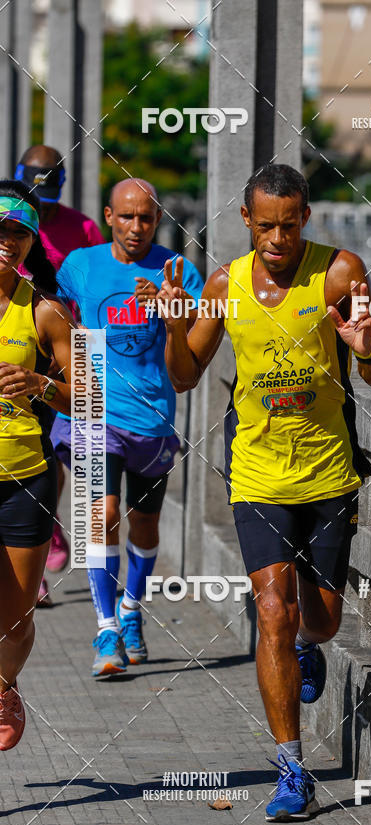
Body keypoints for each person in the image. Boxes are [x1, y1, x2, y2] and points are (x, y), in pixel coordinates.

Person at [162, 164, 371, 820]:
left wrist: (368, 349)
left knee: (320, 619)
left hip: (325, 473)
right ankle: (292, 768)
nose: (277, 239)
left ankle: (307, 646)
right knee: (271, 608)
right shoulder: (224, 284)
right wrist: (176, 328)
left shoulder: (340, 273)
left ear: (306, 219)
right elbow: (184, 378)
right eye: (265, 226)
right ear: (246, 221)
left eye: (289, 226)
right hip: (257, 473)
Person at [50, 178, 203, 678]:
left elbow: (196, 352)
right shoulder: (80, 266)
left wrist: (172, 309)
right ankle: (106, 627)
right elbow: (44, 311)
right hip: (93, 408)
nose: (137, 227)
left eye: (147, 217)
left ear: (157, 219)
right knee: (103, 512)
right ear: (109, 216)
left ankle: (133, 608)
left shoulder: (178, 270)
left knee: (144, 523)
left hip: (152, 416)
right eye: (127, 216)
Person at [0, 180, 74, 749]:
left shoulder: (45, 311)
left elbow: (90, 396)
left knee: (17, 617)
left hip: (24, 476)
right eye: (0, 229)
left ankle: (4, 684)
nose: (8, 241)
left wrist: (41, 383)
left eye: (19, 232)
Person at [15, 145, 105, 604]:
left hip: (67, 346)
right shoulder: (9, 217)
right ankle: (44, 539)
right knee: (38, 445)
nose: (43, 203)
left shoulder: (83, 227)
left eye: (50, 194)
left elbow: (93, 288)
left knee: (65, 446)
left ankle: (48, 524)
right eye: (36, 192)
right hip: (19, 342)